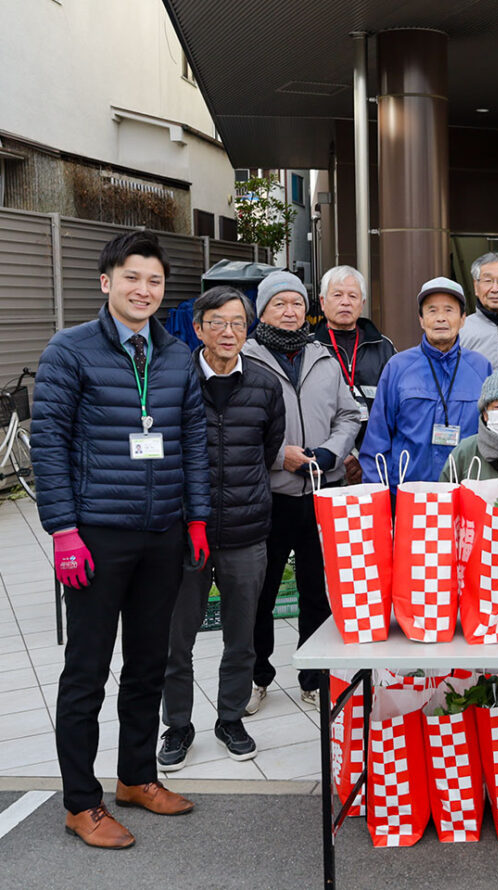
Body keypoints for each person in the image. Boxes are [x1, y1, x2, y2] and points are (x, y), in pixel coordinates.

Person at [32, 230, 210, 848]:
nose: (144, 289)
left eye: (154, 280)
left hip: (162, 533)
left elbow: (193, 442)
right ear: (107, 282)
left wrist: (196, 519)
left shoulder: (177, 355)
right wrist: (63, 531)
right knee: (87, 670)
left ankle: (136, 777)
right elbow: (48, 443)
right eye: (132, 277)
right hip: (97, 536)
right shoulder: (70, 350)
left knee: (147, 665)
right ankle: (81, 803)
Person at [159, 286, 285, 771]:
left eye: (237, 323)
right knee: (177, 640)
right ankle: (178, 726)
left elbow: (269, 448)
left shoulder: (264, 385)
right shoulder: (175, 382)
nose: (228, 332)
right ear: (198, 329)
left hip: (245, 533)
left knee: (241, 637)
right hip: (184, 535)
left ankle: (230, 719)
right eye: (217, 322)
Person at [241, 271, 360, 711]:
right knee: (262, 592)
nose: (289, 312)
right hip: (268, 496)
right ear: (263, 310)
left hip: (321, 493)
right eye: (279, 304)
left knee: (317, 591)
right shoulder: (246, 359)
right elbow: (234, 428)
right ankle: (257, 676)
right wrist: (279, 456)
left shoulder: (322, 357)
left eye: (296, 303)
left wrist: (331, 452)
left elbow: (349, 415)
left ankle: (314, 678)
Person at [362, 277, 492, 485]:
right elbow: (377, 438)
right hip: (407, 492)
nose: (441, 318)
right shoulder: (398, 367)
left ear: (463, 319)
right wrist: (378, 493)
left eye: (449, 310)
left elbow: (491, 434)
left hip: (465, 490)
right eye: (432, 310)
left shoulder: (481, 368)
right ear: (421, 320)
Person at [312, 264, 396, 484]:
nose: (345, 302)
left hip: (374, 461)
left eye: (352, 296)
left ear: (362, 304)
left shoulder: (383, 347)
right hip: (324, 462)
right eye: (337, 295)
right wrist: (340, 453)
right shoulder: (308, 348)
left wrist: (365, 456)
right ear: (323, 302)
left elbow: (394, 408)